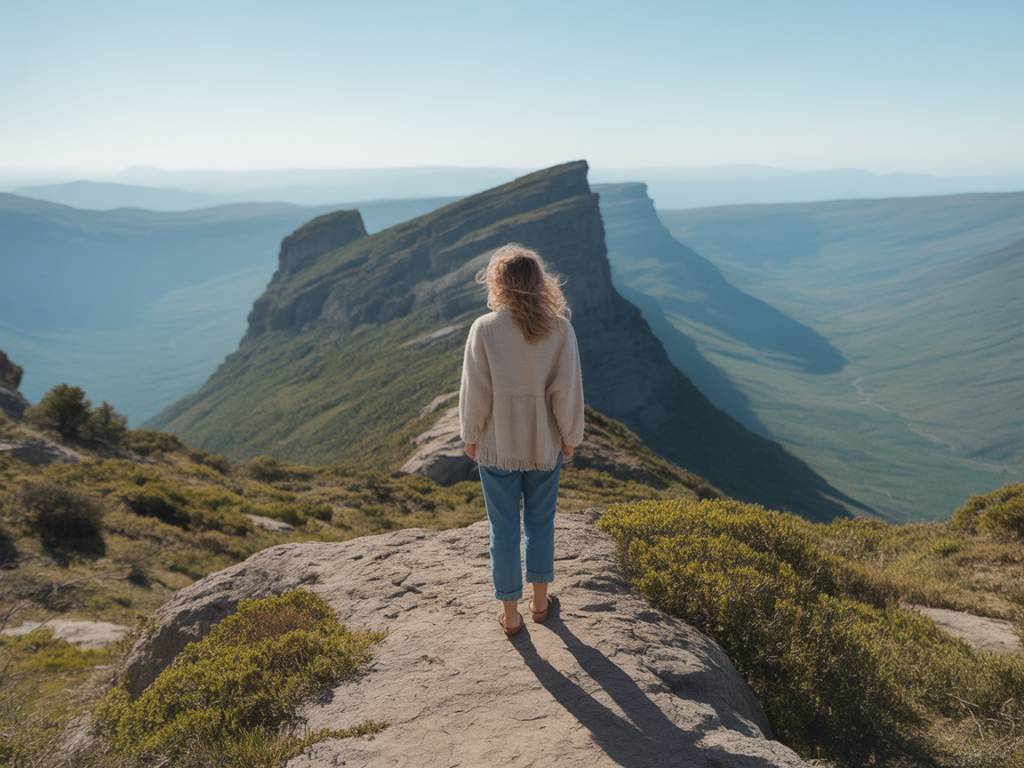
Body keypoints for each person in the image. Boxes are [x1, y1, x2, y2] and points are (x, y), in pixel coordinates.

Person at [459, 243, 585, 638]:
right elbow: (567, 390)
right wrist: (569, 437)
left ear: (498, 284)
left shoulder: (485, 328)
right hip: (543, 444)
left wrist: (471, 434)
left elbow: (475, 391)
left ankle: (510, 614)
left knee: (503, 528)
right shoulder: (560, 329)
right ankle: (542, 603)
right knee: (541, 523)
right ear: (540, 283)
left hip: (498, 445)